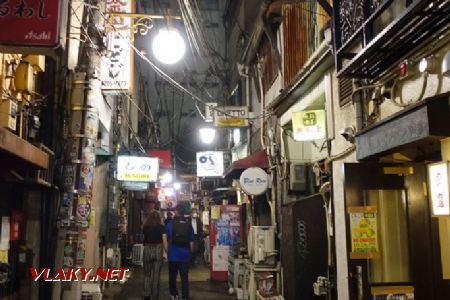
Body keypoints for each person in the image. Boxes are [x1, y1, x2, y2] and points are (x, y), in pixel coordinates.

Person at [166, 203, 194, 300]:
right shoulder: (188, 224)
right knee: (184, 278)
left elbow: (168, 239)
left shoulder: (170, 224)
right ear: (183, 212)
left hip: (173, 256)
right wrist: (191, 254)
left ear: (175, 212)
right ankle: (185, 297)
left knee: (172, 277)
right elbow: (191, 242)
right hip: (185, 256)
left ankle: (174, 295)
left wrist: (166, 252)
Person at [142, 210, 168, 300]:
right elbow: (164, 241)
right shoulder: (161, 227)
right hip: (158, 249)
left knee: (147, 274)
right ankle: (155, 295)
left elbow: (143, 239)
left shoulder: (145, 227)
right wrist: (166, 252)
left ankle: (146, 294)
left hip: (147, 249)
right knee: (156, 275)